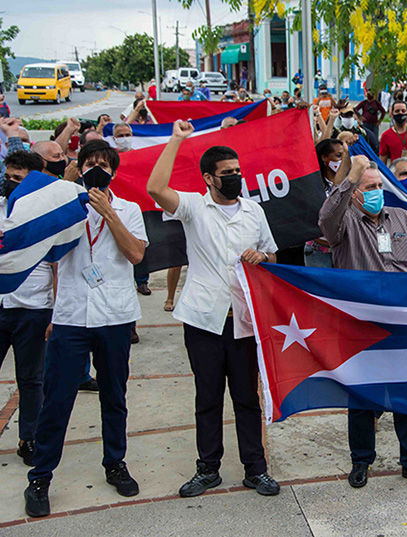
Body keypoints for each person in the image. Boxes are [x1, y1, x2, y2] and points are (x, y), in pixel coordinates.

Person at [146, 120, 280, 499]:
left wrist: (263, 255)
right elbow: (156, 189)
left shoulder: (253, 211)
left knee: (246, 398)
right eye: (227, 173)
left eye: (238, 171)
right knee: (207, 397)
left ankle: (256, 469)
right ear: (209, 178)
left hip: (243, 319)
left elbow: (271, 251)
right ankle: (208, 469)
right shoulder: (193, 206)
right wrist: (176, 140)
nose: (236, 177)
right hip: (204, 319)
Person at [24, 141, 148, 518]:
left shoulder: (128, 209)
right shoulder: (65, 208)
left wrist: (109, 213)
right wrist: (69, 204)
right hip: (71, 316)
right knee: (57, 399)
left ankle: (115, 462)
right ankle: (41, 475)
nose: (97, 169)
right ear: (78, 168)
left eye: (104, 165)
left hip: (114, 316)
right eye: (90, 163)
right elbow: (49, 256)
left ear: (114, 171)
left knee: (114, 395)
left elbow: (136, 254)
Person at [318, 155, 407, 491]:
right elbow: (326, 217)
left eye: (379, 187)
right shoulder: (343, 225)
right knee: (362, 398)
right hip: (360, 326)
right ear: (355, 194)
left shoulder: (402, 217)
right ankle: (361, 462)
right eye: (369, 187)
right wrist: (350, 176)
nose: (377, 192)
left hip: (402, 323)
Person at [0, 149, 50, 468]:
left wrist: (56, 313)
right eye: (7, 176)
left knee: (31, 378)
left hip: (34, 307)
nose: (9, 184)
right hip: (0, 305)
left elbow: (59, 265)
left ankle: (28, 437)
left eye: (17, 179)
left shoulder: (48, 212)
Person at [306, 138, 347, 268]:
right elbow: (333, 201)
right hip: (318, 250)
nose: (342, 160)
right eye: (338, 155)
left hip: (344, 249)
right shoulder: (313, 183)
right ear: (324, 157)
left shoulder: (350, 181)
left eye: (345, 156)